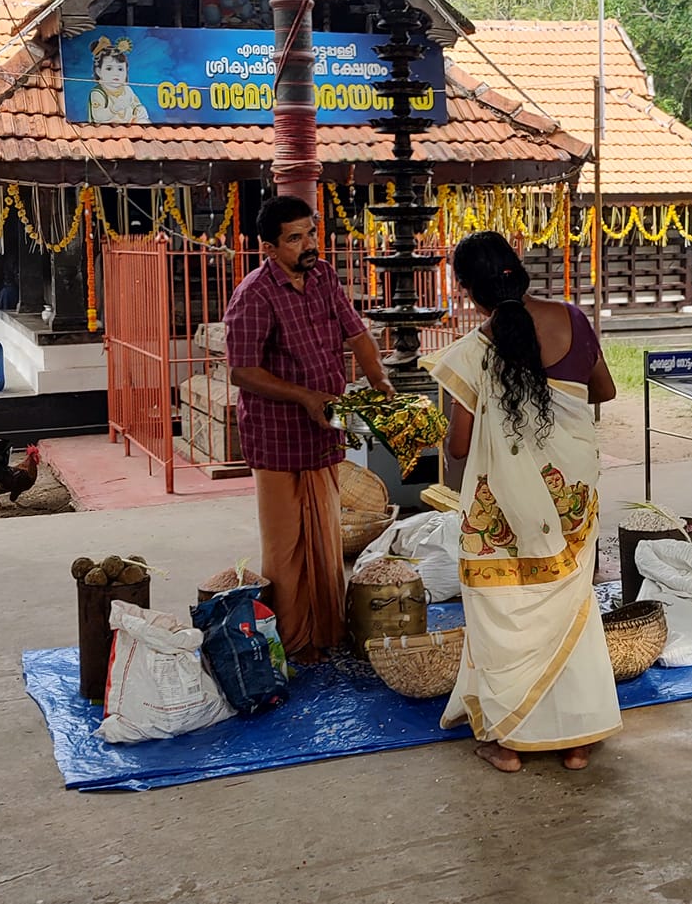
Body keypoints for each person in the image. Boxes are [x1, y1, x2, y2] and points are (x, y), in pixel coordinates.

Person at [433, 231, 621, 772]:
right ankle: (577, 740)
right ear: (519, 271)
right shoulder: (573, 319)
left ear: (470, 291)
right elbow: (603, 390)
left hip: (503, 508)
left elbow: (462, 446)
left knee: (503, 609)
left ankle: (509, 741)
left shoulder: (473, 352)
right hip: (572, 498)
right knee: (571, 606)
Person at [224, 194, 392, 662]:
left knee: (325, 538)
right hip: (276, 435)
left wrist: (377, 375)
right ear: (270, 248)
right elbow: (242, 371)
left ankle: (328, 633)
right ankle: (294, 643)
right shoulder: (253, 294)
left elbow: (355, 330)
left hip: (324, 429)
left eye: (311, 232)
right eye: (295, 238)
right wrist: (304, 396)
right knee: (285, 546)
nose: (308, 244)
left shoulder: (323, 277)